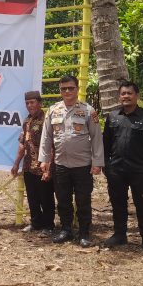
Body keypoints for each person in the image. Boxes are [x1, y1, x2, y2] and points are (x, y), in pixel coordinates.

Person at [39, 75, 104, 247]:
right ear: (60, 90)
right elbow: (46, 137)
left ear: (77, 89)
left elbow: (97, 138)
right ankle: (66, 230)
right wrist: (44, 160)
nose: (67, 91)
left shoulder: (88, 111)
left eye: (70, 88)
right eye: (63, 88)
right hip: (61, 164)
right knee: (63, 200)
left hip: (83, 166)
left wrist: (97, 162)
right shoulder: (53, 110)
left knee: (83, 200)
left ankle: (84, 233)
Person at [102, 81, 143, 254]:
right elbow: (105, 143)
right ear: (119, 96)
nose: (126, 96)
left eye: (129, 93)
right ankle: (120, 235)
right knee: (118, 203)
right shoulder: (112, 117)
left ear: (137, 96)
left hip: (140, 171)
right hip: (116, 170)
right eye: (123, 94)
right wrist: (106, 165)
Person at [11, 90, 55, 234]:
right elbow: (22, 143)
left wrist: (49, 167)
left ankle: (48, 226)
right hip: (29, 166)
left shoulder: (47, 120)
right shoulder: (26, 121)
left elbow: (53, 145)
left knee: (46, 197)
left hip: (43, 166)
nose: (29, 105)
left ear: (40, 103)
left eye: (32, 102)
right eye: (27, 103)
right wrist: (17, 163)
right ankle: (36, 223)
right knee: (32, 196)